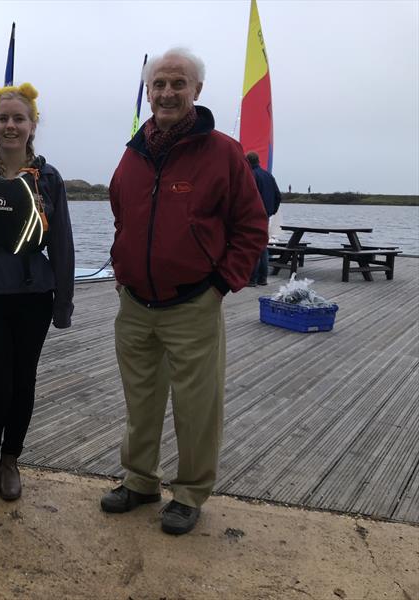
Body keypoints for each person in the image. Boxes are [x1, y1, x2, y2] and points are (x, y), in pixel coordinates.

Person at [101, 47, 268, 535]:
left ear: (197, 90)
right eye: (159, 85)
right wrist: (121, 261)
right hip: (134, 303)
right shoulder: (133, 153)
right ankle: (139, 480)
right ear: (148, 92)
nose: (168, 93)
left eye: (179, 84)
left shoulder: (223, 152)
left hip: (193, 301)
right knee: (141, 398)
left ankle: (190, 492)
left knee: (197, 405)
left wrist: (221, 283)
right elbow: (121, 214)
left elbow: (251, 226)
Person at [0, 83, 74, 501]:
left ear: (32, 124)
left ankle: (11, 459)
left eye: (18, 118)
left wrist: (63, 301)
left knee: (23, 382)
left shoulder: (49, 179)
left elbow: (61, 242)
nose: (10, 125)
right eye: (3, 118)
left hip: (33, 295)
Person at [246, 151, 282, 286]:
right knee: (262, 246)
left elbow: (246, 197)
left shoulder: (250, 175)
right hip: (265, 216)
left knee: (252, 246)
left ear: (247, 162)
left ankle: (251, 279)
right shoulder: (269, 176)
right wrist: (271, 211)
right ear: (258, 161)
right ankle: (263, 278)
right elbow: (278, 196)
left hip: (252, 216)